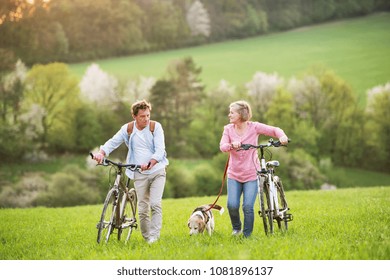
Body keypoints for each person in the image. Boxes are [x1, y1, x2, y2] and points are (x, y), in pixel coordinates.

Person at [92, 100, 168, 244]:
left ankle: (154, 237)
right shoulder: (127, 129)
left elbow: (160, 150)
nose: (146, 119)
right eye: (142, 116)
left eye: (148, 115)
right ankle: (147, 239)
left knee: (155, 204)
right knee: (142, 208)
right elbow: (112, 142)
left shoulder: (155, 127)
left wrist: (151, 162)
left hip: (157, 171)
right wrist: (101, 153)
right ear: (134, 116)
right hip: (138, 173)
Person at [219, 100, 288, 238]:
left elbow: (274, 129)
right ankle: (236, 229)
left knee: (247, 207)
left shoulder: (254, 127)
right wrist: (232, 145)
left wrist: (282, 136)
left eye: (232, 112)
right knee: (232, 205)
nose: (229, 115)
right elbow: (222, 146)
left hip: (251, 174)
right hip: (234, 174)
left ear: (241, 114)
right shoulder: (228, 129)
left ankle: (246, 236)